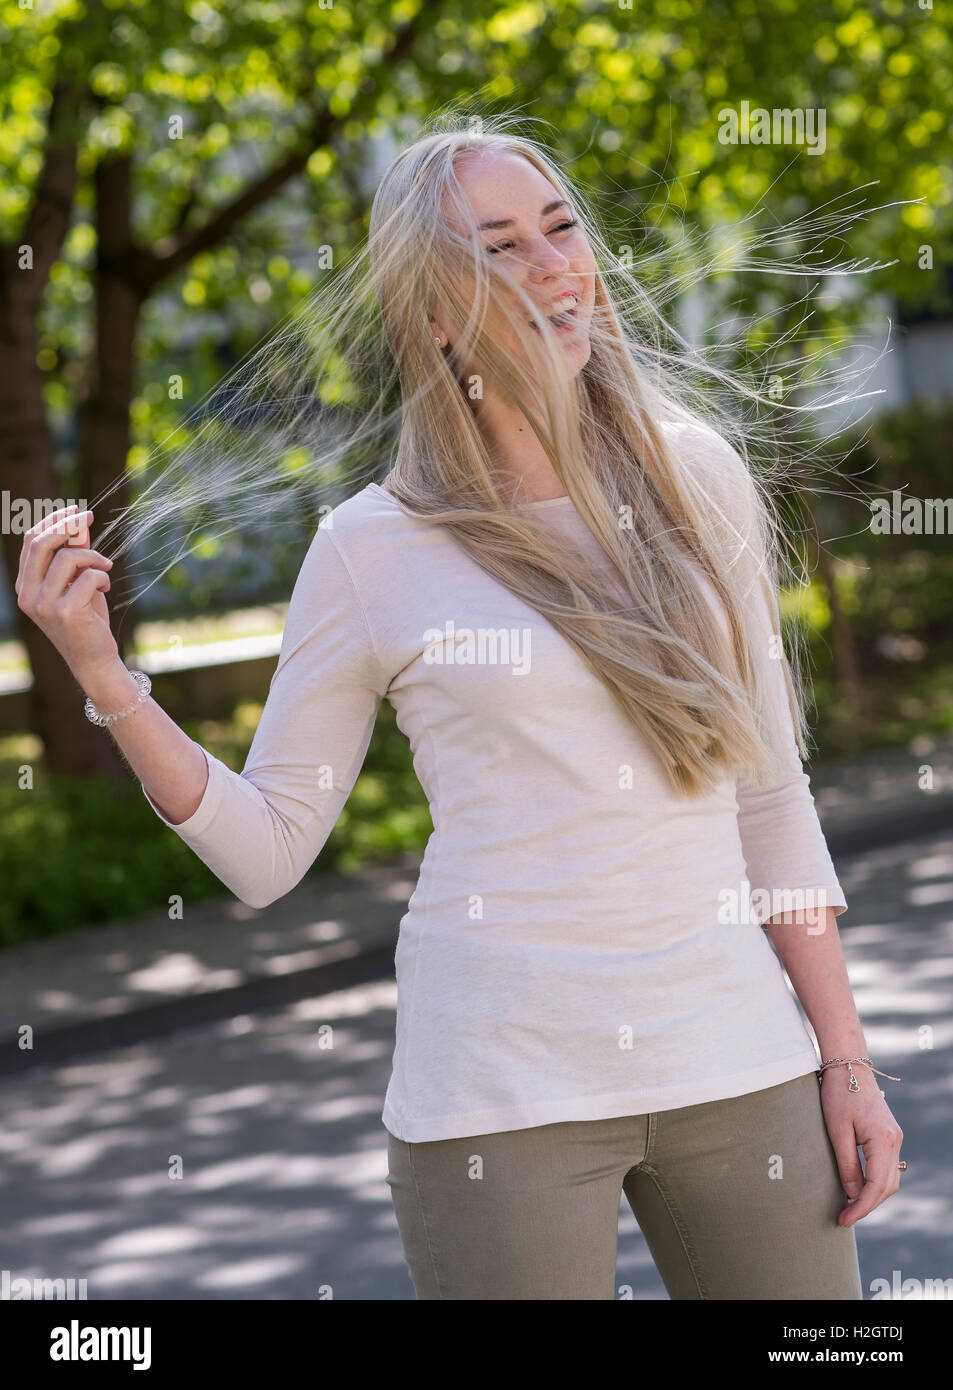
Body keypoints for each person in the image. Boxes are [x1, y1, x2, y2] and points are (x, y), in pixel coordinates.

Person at [15, 124, 903, 1300]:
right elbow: (268, 851)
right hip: (499, 1096)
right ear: (434, 314)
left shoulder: (699, 476)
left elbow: (768, 790)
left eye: (559, 228)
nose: (552, 266)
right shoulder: (369, 549)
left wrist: (842, 1057)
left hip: (738, 1064)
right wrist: (104, 678)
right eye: (498, 246)